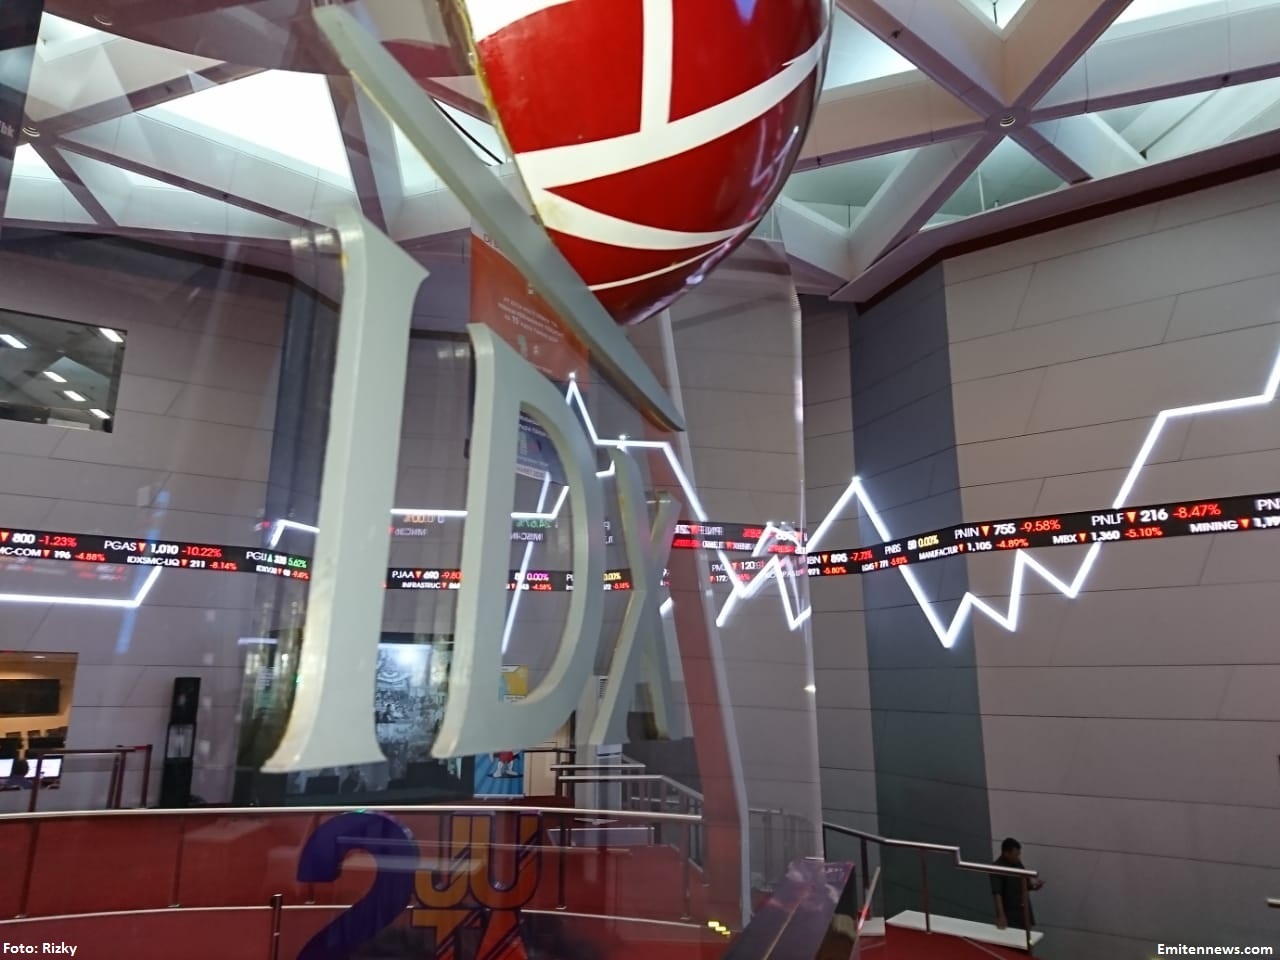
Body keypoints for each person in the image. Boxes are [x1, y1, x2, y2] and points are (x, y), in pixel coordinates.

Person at [991, 837, 1044, 930]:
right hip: (1010, 913)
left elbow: (1024, 883)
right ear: (1006, 853)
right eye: (1016, 855)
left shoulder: (1017, 864)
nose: (1018, 857)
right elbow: (997, 894)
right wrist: (1001, 915)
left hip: (1024, 911)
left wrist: (1033, 886)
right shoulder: (997, 868)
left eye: (1019, 854)